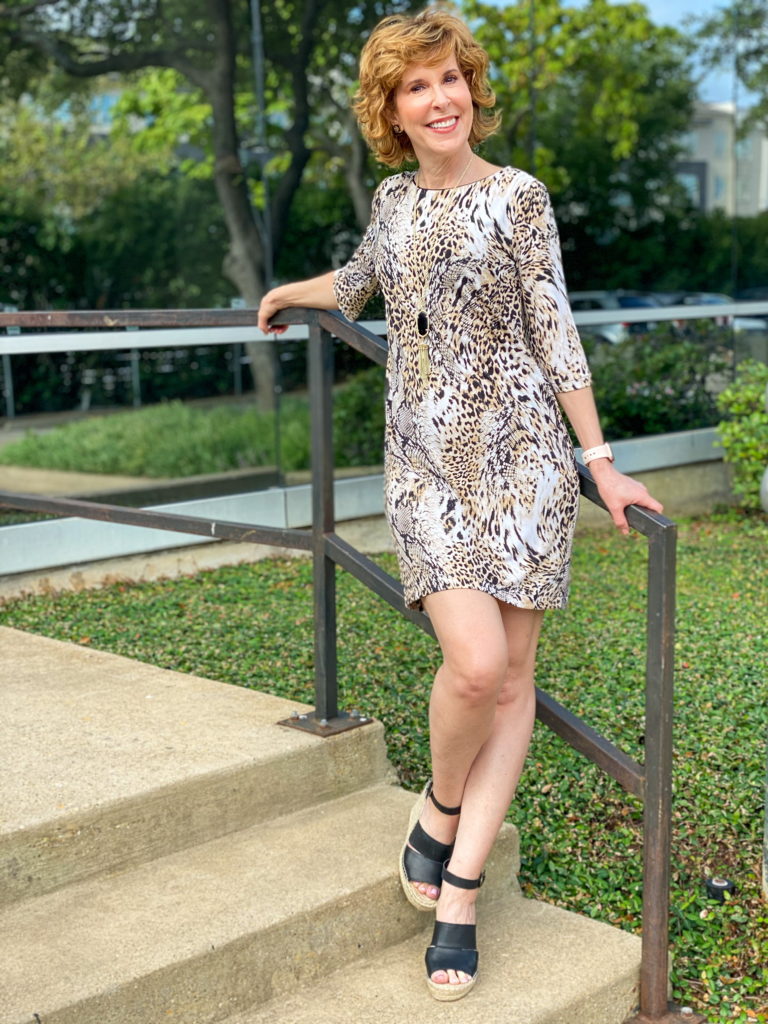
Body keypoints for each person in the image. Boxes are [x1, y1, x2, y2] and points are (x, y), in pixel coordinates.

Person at [258, 6, 663, 1002]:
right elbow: (356, 284)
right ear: (393, 108)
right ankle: (438, 808)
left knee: (515, 676)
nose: (438, 98)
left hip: (525, 458)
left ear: (471, 91)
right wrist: (288, 294)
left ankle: (460, 890)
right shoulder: (395, 203)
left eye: (449, 79)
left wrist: (598, 461)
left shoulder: (520, 197)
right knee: (473, 665)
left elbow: (554, 330)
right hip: (426, 464)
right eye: (415, 85)